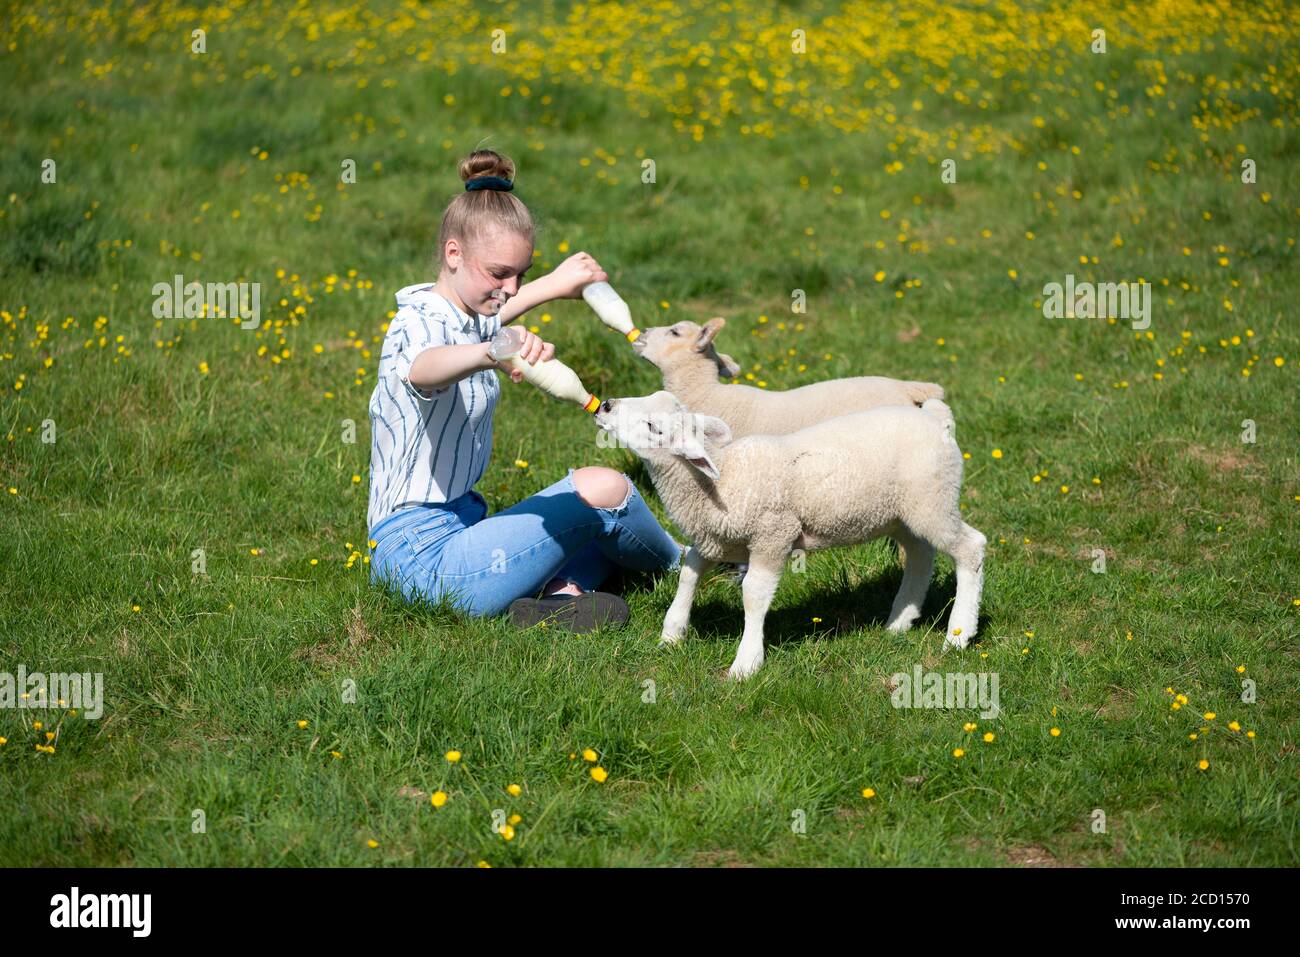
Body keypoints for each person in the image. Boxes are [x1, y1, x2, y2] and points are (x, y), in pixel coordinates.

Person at [367, 148, 684, 631]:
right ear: (453, 253)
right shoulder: (414, 323)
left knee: (592, 530)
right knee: (607, 490)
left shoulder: (463, 317)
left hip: (464, 530)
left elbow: (487, 320)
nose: (513, 287)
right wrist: (489, 353)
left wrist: (556, 284)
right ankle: (688, 565)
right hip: (418, 555)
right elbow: (422, 369)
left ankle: (560, 599)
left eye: (523, 274)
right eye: (499, 273)